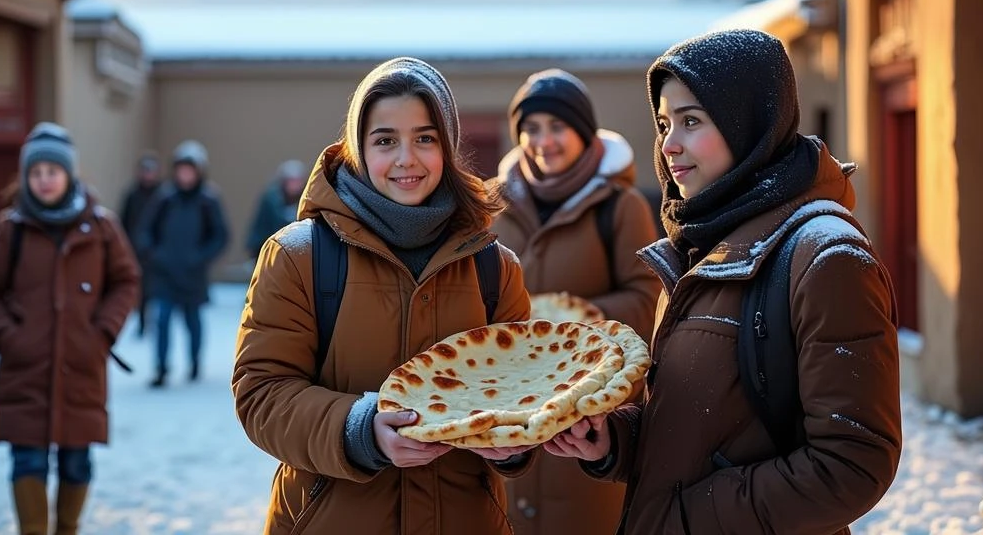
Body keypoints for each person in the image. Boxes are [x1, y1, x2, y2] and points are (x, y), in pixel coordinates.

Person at [544, 30, 902, 534]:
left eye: (692, 121)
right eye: (665, 123)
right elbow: (707, 425)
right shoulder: (701, 244)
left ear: (749, 122)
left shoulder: (824, 255)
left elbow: (853, 463)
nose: (669, 145)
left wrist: (687, 517)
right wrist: (616, 442)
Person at [233, 57, 538, 535]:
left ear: (448, 147)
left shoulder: (494, 267)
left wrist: (515, 437)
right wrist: (358, 429)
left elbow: (523, 393)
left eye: (425, 138)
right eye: (385, 140)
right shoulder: (298, 257)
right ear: (358, 149)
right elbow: (262, 393)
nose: (406, 159)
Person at [491, 69, 661, 535]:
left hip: (589, 411)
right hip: (515, 405)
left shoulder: (621, 207)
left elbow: (647, 301)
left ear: (583, 133)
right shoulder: (494, 208)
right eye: (531, 128)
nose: (542, 141)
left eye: (556, 127)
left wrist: (565, 322)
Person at [0, 122, 140, 535]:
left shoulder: (100, 227)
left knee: (76, 461)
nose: (45, 180)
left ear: (69, 175)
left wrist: (101, 333)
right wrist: (8, 338)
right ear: (26, 177)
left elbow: (127, 280)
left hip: (81, 365)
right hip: (24, 368)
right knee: (26, 460)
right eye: (36, 172)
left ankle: (67, 528)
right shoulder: (11, 228)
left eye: (53, 171)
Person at [139, 139, 230, 387]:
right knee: (162, 320)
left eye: (190, 170)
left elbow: (220, 235)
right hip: (165, 273)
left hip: (192, 274)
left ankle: (194, 362)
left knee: (193, 322)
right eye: (181, 170)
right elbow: (145, 231)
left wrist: (200, 257)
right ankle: (160, 368)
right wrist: (155, 254)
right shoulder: (164, 199)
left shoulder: (207, 201)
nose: (185, 175)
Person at [119, 151, 162, 336]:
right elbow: (124, 221)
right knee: (141, 291)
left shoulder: (163, 195)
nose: (148, 175)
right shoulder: (132, 195)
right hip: (135, 251)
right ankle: (143, 324)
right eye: (145, 171)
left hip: (157, 251)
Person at [245, 158, 306, 258]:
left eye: (297, 181)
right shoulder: (270, 200)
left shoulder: (307, 199)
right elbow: (260, 228)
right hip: (271, 250)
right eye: (291, 181)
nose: (294, 185)